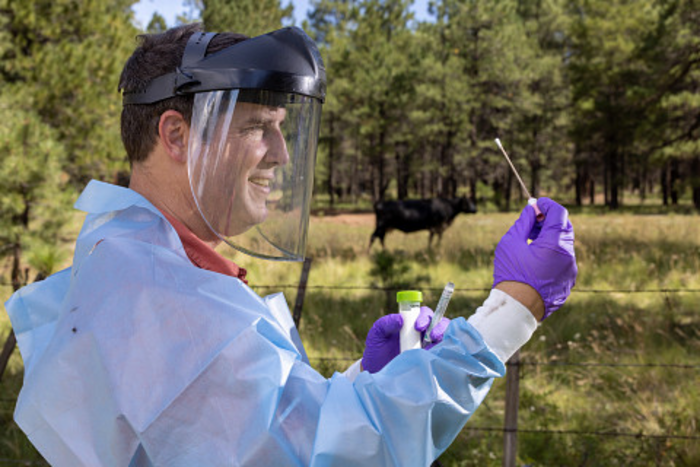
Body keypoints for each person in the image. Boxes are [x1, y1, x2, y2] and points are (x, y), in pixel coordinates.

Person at [4, 24, 577, 466]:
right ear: (176, 136)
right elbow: (329, 458)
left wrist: (360, 382)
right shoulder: (158, 292)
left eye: (282, 127)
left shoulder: (135, 258)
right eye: (257, 126)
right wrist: (513, 308)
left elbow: (252, 433)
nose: (280, 153)